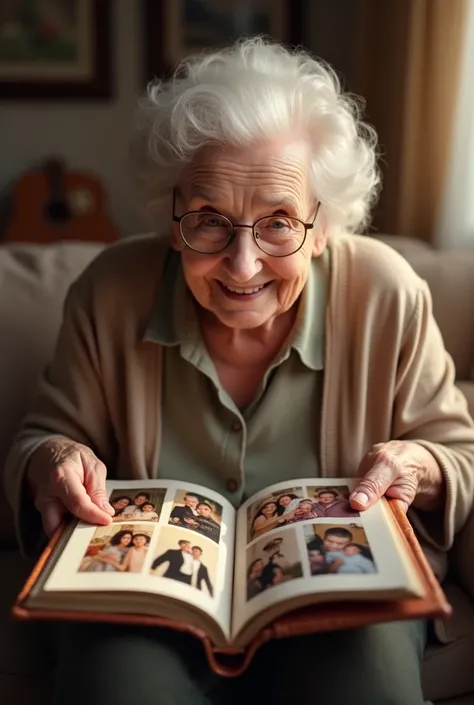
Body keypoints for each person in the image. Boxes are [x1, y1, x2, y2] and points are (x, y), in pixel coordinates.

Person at [5, 37, 474, 705]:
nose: (242, 263)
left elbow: (461, 453)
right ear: (172, 218)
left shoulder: (387, 295)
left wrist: (417, 465)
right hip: (150, 606)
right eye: (209, 222)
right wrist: (52, 457)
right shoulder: (109, 293)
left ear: (323, 227)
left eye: (279, 223)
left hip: (340, 600)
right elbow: (42, 436)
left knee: (365, 674)